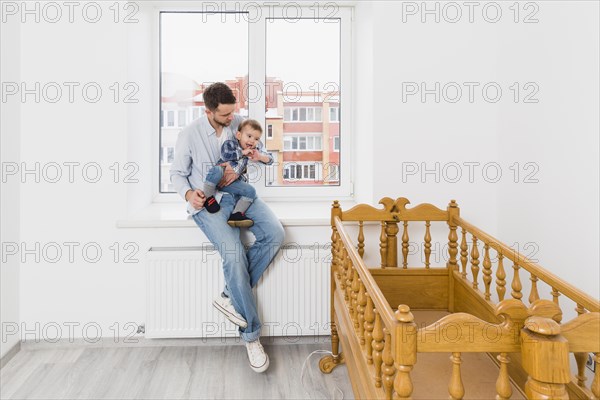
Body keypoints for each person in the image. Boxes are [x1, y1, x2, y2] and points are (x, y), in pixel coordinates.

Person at [170, 82, 285, 373]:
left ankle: (228, 295)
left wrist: (255, 157)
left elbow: (262, 153)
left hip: (239, 193)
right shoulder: (189, 134)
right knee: (233, 254)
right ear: (208, 110)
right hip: (208, 202)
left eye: (233, 112)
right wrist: (188, 194)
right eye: (224, 115)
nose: (230, 118)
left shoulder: (238, 123)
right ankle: (251, 335)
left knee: (275, 234)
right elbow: (177, 175)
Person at [202, 119, 273, 228]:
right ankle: (208, 197)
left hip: (232, 183)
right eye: (249, 136)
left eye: (256, 139)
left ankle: (236, 214)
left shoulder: (254, 150)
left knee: (251, 191)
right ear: (239, 135)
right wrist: (242, 153)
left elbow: (270, 160)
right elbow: (226, 155)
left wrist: (260, 157)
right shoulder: (231, 144)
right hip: (219, 177)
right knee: (216, 170)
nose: (252, 141)